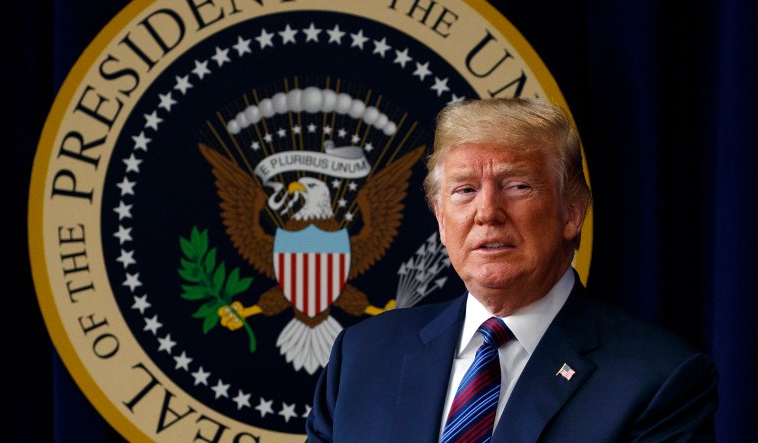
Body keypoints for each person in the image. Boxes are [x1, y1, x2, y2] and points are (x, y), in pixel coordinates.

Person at [305, 97, 718, 442]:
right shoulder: (361, 357)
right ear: (440, 219)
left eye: (517, 185)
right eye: (465, 190)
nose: (487, 212)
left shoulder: (660, 380)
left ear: (572, 213)